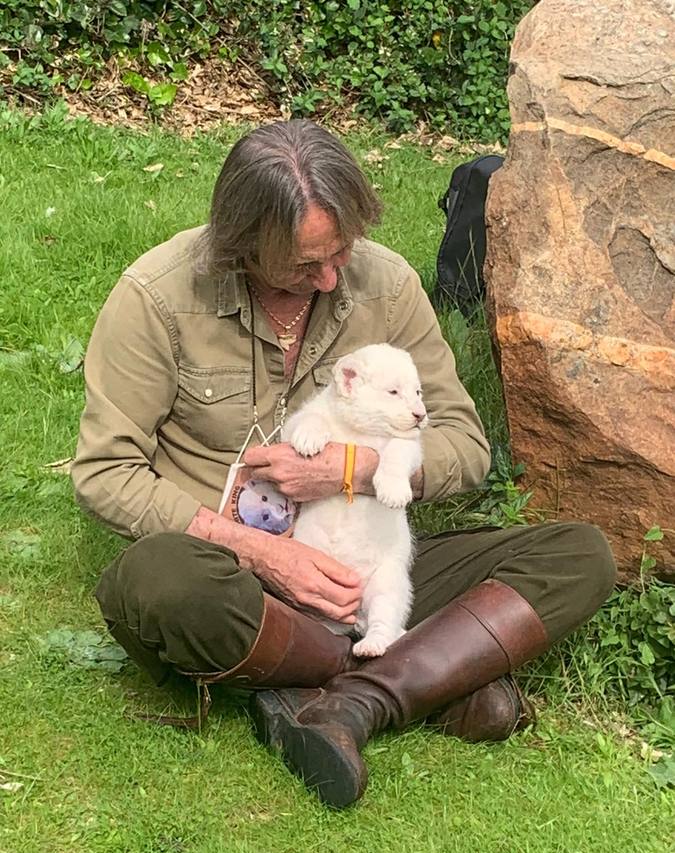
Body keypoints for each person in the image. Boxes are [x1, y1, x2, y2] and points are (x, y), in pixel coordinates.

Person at [72, 120, 617, 808]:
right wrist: (256, 553)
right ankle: (427, 673)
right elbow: (104, 472)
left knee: (580, 554)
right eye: (304, 265)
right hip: (232, 577)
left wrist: (349, 471)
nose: (329, 277)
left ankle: (340, 699)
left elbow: (463, 446)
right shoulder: (156, 297)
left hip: (368, 562)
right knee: (155, 581)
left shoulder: (384, 285)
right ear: (243, 243)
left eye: (341, 252)